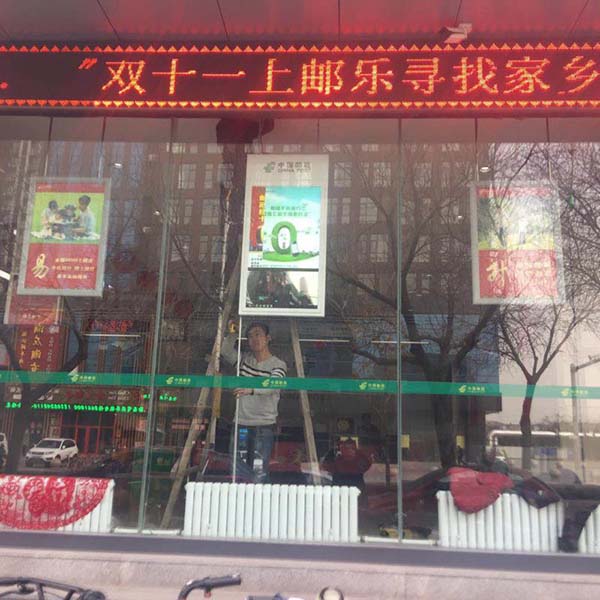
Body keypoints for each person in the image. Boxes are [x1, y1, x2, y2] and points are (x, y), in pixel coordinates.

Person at [222, 321, 287, 482]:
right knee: (237, 470)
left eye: (258, 334)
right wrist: (233, 332)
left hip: (264, 425)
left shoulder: (278, 364)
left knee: (260, 471)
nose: (254, 339)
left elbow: (274, 385)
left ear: (268, 338)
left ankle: (258, 498)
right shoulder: (244, 361)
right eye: (250, 336)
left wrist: (251, 390)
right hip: (241, 422)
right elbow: (225, 351)